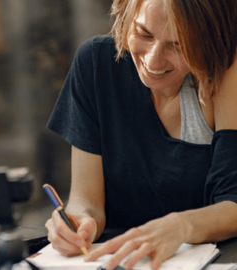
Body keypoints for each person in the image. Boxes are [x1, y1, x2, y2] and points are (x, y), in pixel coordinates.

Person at [44, 0, 237, 269]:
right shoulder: (96, 64)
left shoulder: (225, 70)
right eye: (144, 34)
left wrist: (179, 226)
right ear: (125, 15)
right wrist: (79, 222)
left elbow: (234, 201)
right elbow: (86, 200)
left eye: (178, 45)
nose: (153, 60)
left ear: (210, 41)